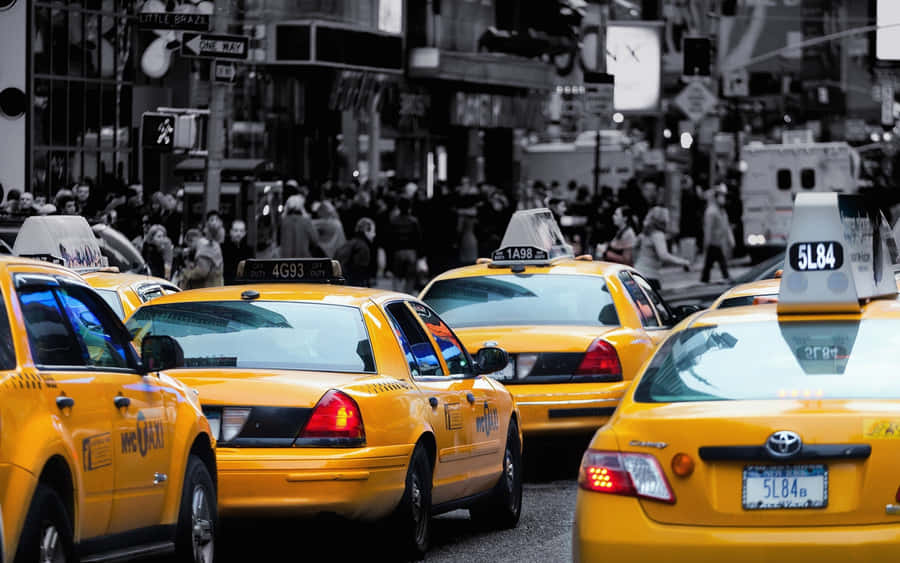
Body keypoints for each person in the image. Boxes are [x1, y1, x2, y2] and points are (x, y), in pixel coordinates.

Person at [634, 206, 691, 291]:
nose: (668, 220)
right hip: (650, 276)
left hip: (639, 271)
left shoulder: (646, 233)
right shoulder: (658, 235)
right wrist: (683, 262)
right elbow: (663, 255)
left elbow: (634, 246)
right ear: (662, 219)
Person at [700, 184, 735, 283]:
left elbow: (726, 226)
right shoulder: (711, 211)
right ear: (716, 197)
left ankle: (705, 279)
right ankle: (726, 276)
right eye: (721, 196)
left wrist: (731, 239)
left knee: (710, 263)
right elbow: (708, 228)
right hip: (713, 242)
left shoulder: (722, 211)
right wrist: (706, 243)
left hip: (718, 242)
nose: (723, 198)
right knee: (719, 260)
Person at [387, 197, 422, 293]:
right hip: (411, 252)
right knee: (410, 277)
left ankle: (397, 295)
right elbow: (418, 238)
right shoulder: (414, 221)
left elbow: (390, 238)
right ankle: (407, 296)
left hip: (398, 251)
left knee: (397, 276)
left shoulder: (394, 221)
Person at [335, 217, 376, 287]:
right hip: (353, 287)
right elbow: (359, 273)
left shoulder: (348, 244)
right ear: (366, 231)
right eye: (373, 231)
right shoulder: (363, 247)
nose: (374, 234)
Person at [223, 219, 254, 284]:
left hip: (244, 285)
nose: (238, 233)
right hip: (227, 285)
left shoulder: (249, 250)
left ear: (245, 233)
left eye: (241, 231)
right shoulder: (223, 249)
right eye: (236, 230)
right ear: (231, 232)